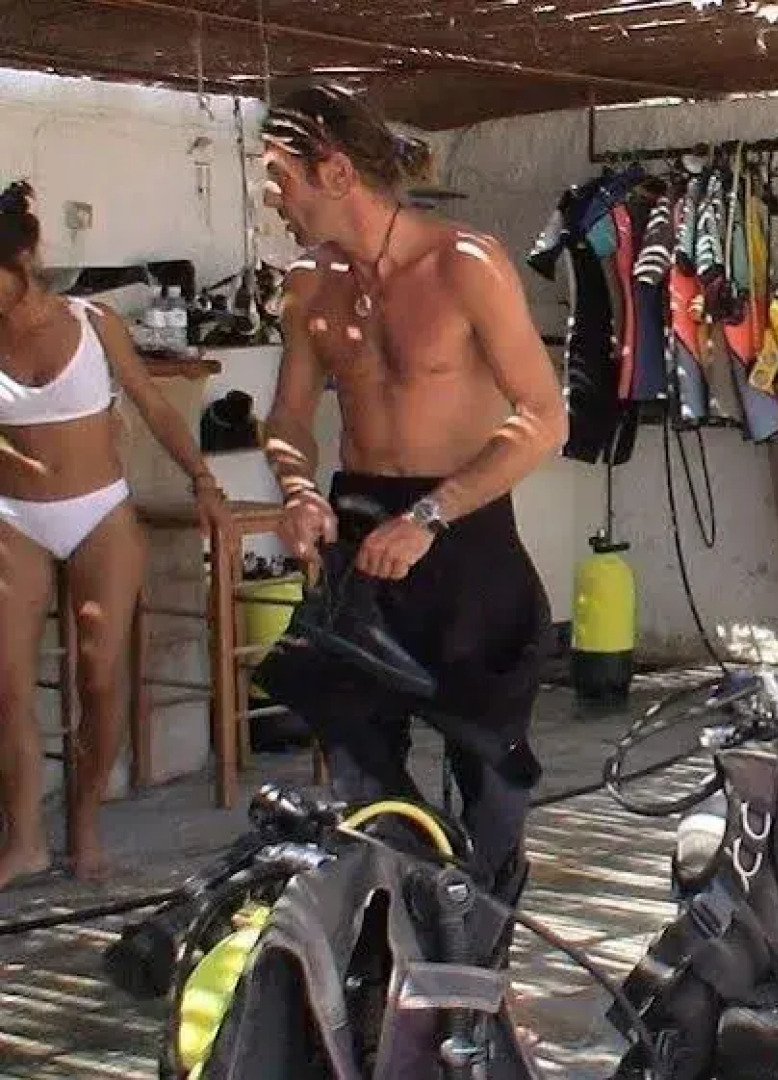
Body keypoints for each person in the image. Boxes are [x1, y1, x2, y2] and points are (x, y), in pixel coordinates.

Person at [250, 82, 566, 903]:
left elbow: (543, 418)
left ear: (333, 172)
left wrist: (431, 514)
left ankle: (481, 948)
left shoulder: (465, 264)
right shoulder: (308, 283)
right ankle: (409, 918)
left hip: (460, 532)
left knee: (491, 768)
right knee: (356, 753)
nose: (269, 196)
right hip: (356, 528)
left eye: (278, 176)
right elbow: (287, 418)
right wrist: (296, 488)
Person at [0, 180, 232, 888]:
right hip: (13, 517)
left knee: (100, 679)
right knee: (6, 686)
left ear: (25, 258)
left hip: (99, 511)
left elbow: (156, 407)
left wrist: (203, 479)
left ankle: (87, 826)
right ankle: (27, 840)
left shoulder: (93, 322)